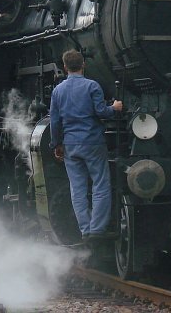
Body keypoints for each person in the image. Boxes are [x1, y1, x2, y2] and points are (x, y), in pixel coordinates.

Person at [49, 49, 122, 241]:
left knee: (77, 188)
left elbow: (55, 122)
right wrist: (114, 108)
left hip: (70, 145)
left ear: (65, 67)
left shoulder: (58, 91)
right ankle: (97, 229)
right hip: (93, 142)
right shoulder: (92, 86)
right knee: (100, 184)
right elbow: (101, 112)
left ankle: (85, 229)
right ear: (83, 65)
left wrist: (56, 143)